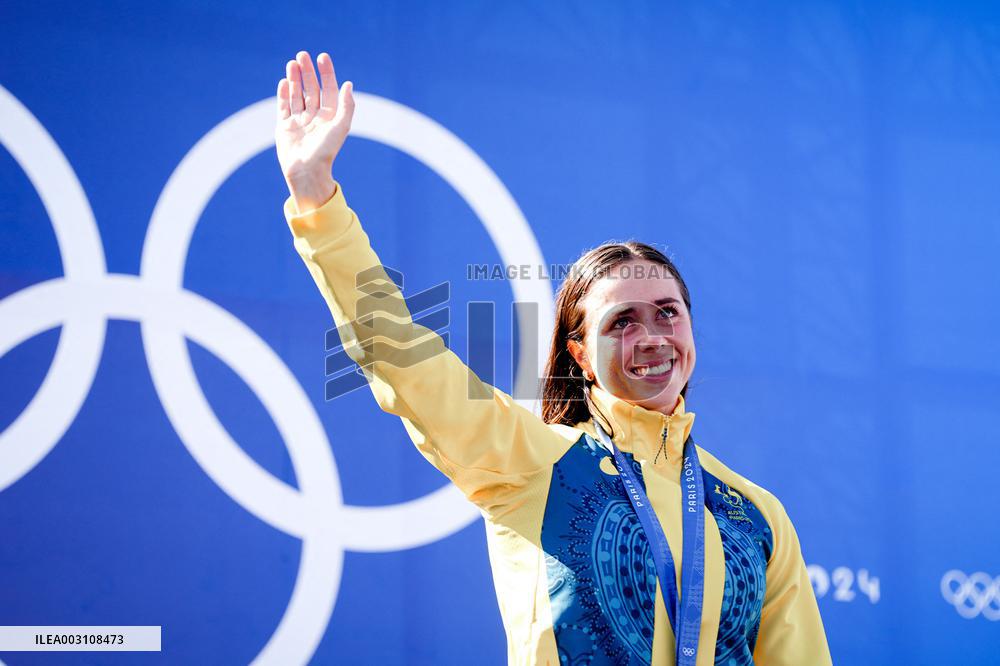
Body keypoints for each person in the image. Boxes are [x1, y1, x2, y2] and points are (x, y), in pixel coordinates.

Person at [275, 50, 832, 666]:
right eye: (622, 320)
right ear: (580, 354)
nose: (651, 335)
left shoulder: (754, 514)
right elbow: (404, 358)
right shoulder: (531, 459)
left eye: (668, 312)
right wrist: (318, 205)